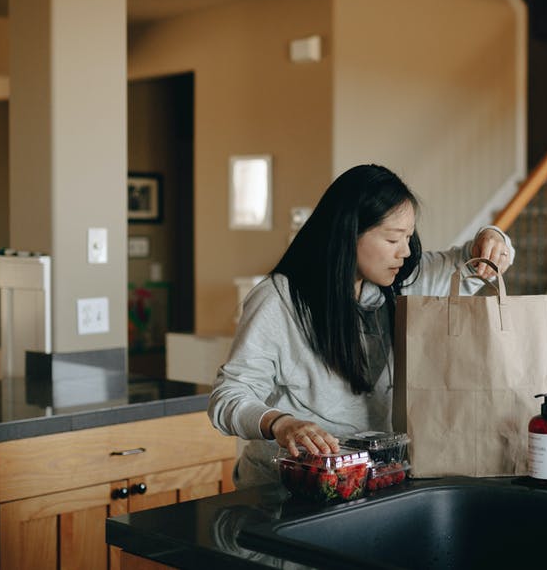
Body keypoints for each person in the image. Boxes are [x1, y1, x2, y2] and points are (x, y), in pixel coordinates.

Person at [208, 164, 515, 488]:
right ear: (349, 232)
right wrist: (282, 424)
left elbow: (471, 262)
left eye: (409, 237)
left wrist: (493, 237)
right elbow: (229, 396)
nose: (406, 252)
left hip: (368, 479)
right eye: (394, 239)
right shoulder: (280, 299)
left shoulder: (403, 281)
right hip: (284, 487)